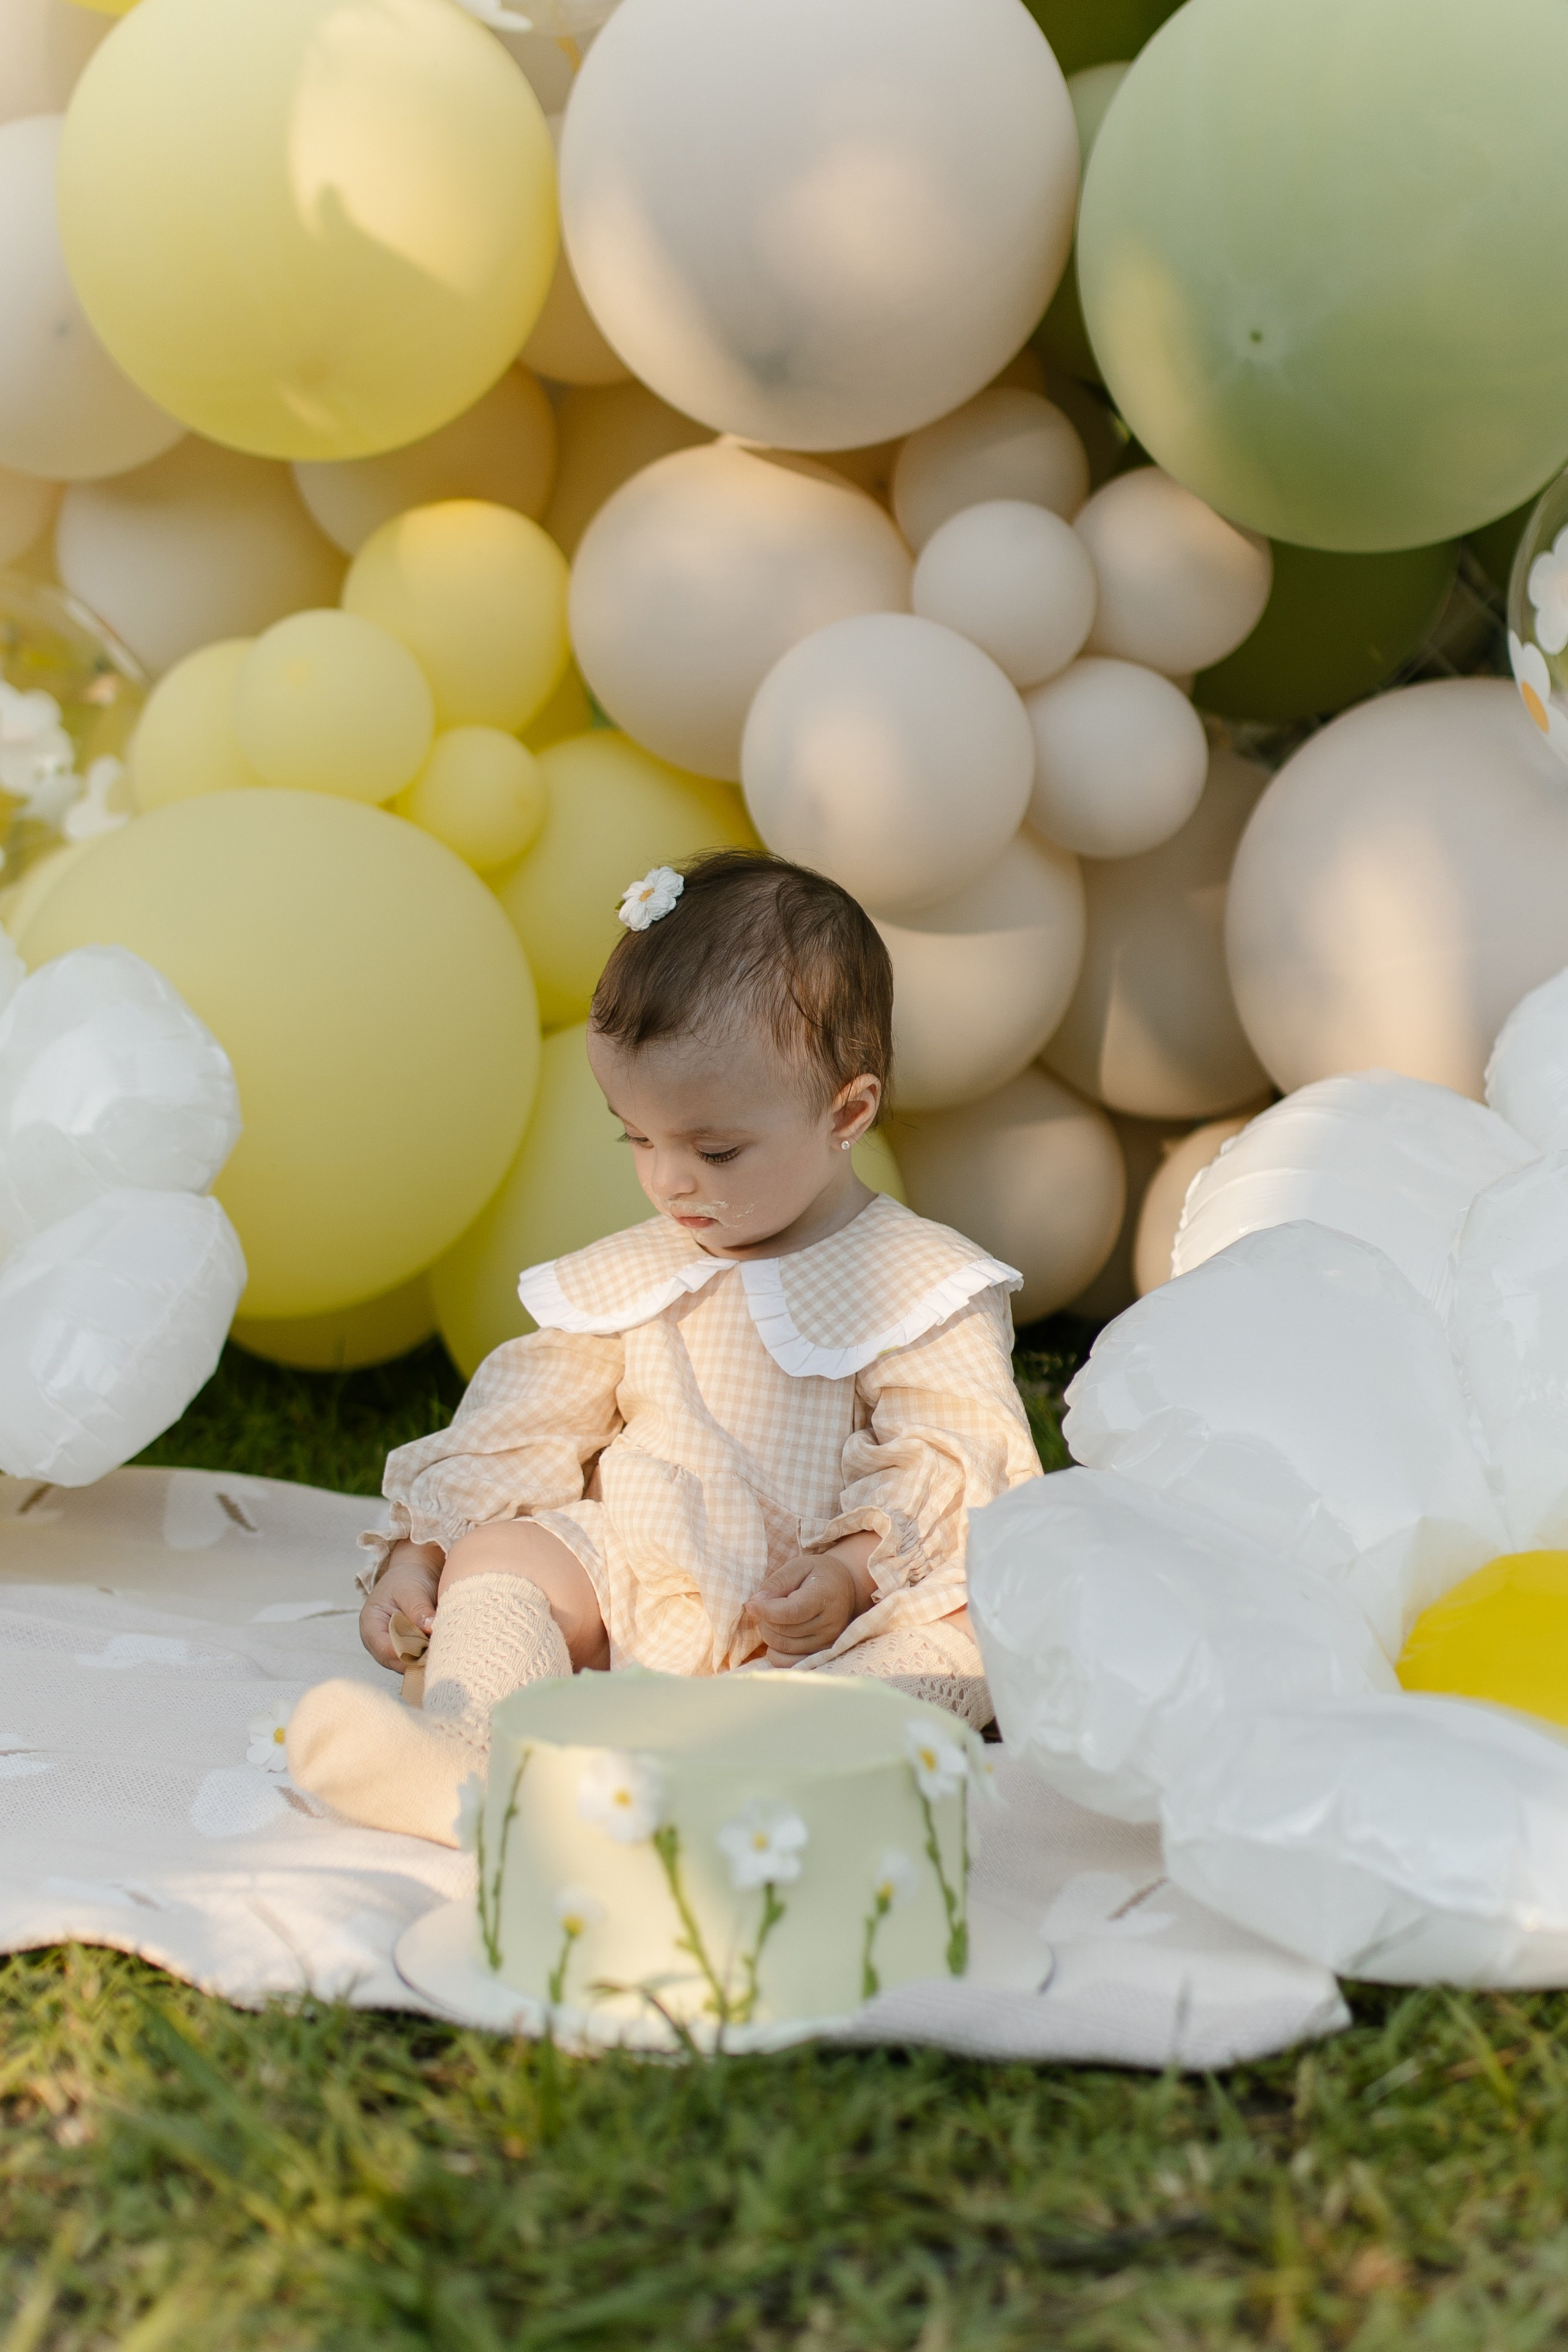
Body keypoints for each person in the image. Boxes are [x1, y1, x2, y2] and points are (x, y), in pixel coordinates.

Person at [288, 851, 1042, 1842]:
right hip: (641, 1576)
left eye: (713, 1150)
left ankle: (765, 1760)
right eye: (637, 1139)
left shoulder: (914, 1280)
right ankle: (468, 1754)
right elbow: (525, 1422)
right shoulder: (641, 1273)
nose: (669, 1183)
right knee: (501, 1555)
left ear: (846, 1113)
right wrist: (421, 1553)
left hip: (814, 1623)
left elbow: (955, 1452)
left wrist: (855, 1570)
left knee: (970, 1631)